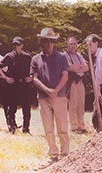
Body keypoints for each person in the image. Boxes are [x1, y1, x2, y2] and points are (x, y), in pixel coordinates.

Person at [31, 28, 70, 163]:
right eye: (45, 41)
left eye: (51, 41)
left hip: (60, 97)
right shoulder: (36, 59)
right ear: (41, 42)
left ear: (54, 42)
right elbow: (34, 78)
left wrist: (55, 90)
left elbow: (65, 76)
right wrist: (47, 90)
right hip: (43, 98)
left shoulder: (62, 57)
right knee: (48, 128)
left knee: (62, 128)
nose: (48, 44)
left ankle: (65, 155)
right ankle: (53, 154)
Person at [0, 36, 32, 134]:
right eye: (15, 45)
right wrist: (5, 77)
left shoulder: (27, 57)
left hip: (24, 85)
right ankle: (11, 127)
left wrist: (31, 77)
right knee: (12, 107)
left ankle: (26, 129)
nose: (17, 46)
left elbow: (33, 69)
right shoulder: (9, 56)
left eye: (18, 44)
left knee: (26, 108)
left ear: (22, 45)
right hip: (13, 85)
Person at [63, 36, 89, 134]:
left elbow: (86, 67)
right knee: (73, 105)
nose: (73, 46)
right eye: (71, 44)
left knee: (81, 105)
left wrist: (78, 68)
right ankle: (74, 127)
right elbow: (70, 67)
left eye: (74, 44)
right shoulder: (65, 55)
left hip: (80, 82)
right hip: (72, 82)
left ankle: (81, 126)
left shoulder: (79, 55)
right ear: (67, 45)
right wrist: (79, 67)